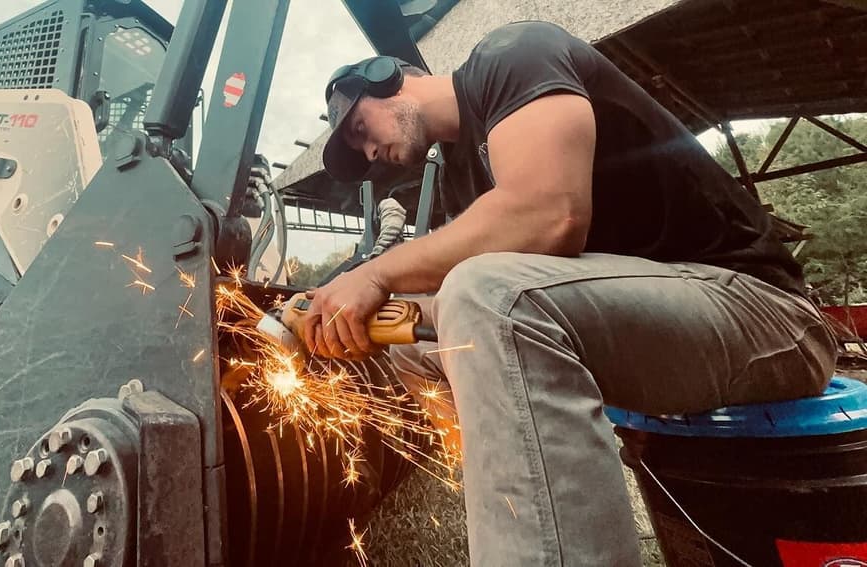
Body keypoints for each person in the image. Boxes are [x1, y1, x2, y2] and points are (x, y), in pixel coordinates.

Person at [303, 21, 837, 566]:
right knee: (412, 331)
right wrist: (343, 309)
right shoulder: (465, 171)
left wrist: (375, 274)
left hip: (763, 313)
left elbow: (549, 214)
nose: (369, 151)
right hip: (676, 322)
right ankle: (520, 504)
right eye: (358, 150)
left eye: (360, 128)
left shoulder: (513, 57)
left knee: (489, 296)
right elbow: (440, 299)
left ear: (388, 78)